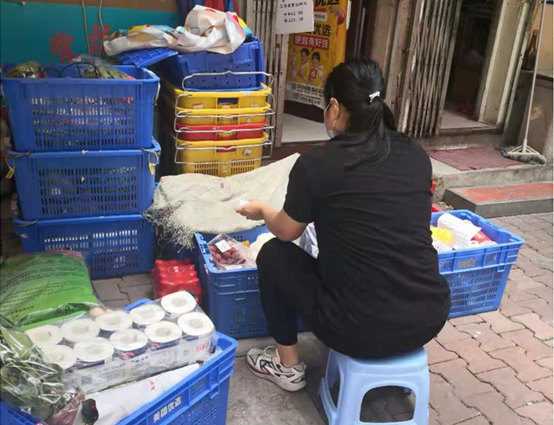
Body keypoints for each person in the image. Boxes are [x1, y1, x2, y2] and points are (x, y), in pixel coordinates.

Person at [235, 59, 451, 392]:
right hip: (428, 317)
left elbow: (287, 231)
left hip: (355, 329)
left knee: (273, 254)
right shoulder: (416, 155)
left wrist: (264, 210)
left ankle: (287, 366)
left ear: (334, 107)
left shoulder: (317, 163)